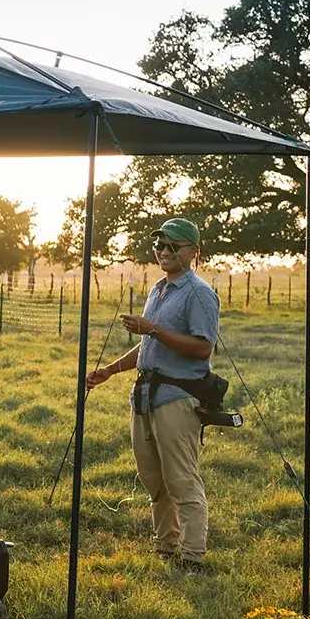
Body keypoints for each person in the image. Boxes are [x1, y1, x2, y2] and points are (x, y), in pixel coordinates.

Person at [83, 218, 221, 570]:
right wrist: (111, 370)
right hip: (144, 395)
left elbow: (203, 349)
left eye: (174, 246)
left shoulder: (199, 293)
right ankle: (164, 546)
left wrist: (154, 329)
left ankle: (192, 557)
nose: (164, 251)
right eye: (160, 245)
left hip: (178, 396)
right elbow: (147, 346)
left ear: (193, 252)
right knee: (153, 479)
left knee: (181, 478)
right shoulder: (157, 290)